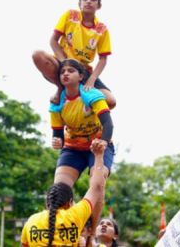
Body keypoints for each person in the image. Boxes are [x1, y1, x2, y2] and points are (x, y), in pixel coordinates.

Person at [49, 59, 114, 242]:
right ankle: (66, 229)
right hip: (73, 148)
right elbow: (58, 135)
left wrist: (102, 143)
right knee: (59, 189)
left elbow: (108, 124)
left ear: (81, 76)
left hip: (98, 145)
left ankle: (91, 234)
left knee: (98, 184)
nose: (65, 74)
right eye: (62, 72)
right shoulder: (57, 101)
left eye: (71, 71)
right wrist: (56, 141)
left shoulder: (91, 94)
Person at [32, 0, 115, 108]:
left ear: (99, 5)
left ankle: (82, 105)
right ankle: (61, 89)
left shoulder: (102, 29)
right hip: (61, 62)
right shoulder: (70, 15)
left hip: (83, 70)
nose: (88, 1)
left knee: (110, 101)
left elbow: (103, 59)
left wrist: (91, 79)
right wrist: (64, 63)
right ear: (79, 3)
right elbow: (53, 41)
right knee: (37, 55)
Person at [21, 138, 109, 246]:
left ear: (47, 203)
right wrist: (99, 156)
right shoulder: (75, 215)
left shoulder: (32, 221)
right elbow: (96, 187)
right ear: (70, 202)